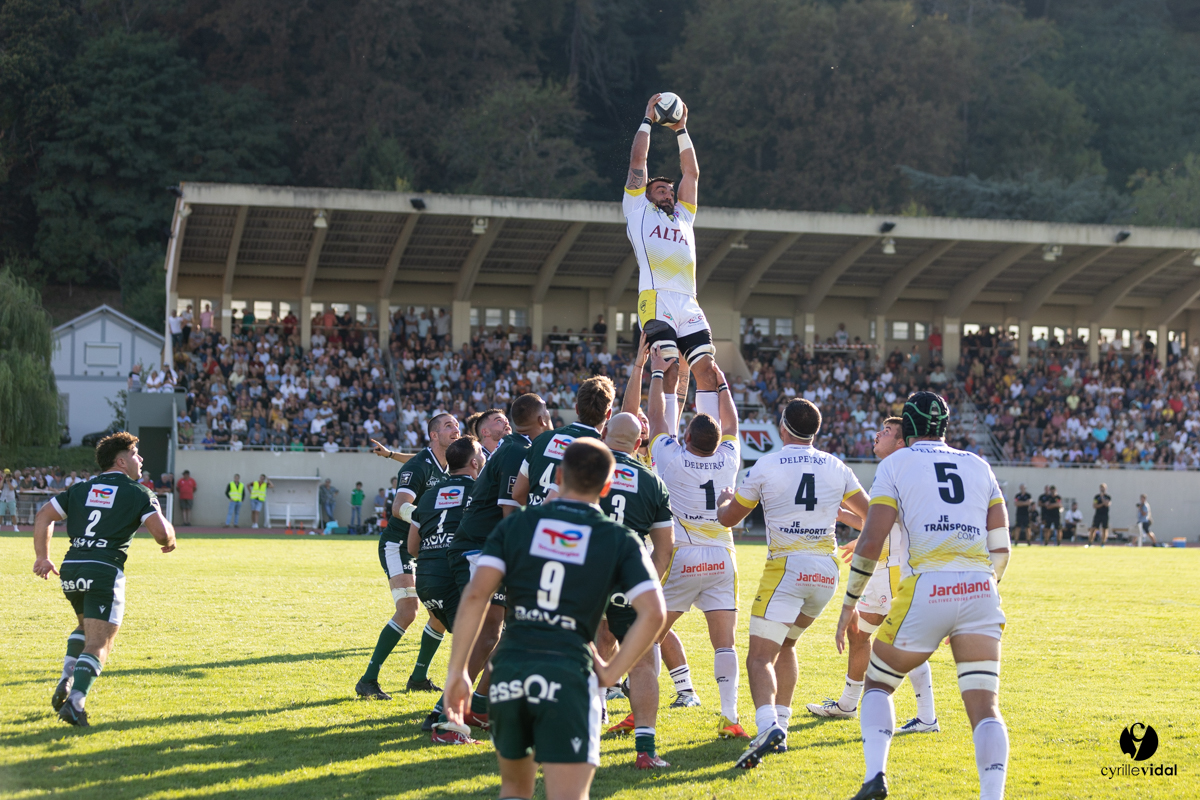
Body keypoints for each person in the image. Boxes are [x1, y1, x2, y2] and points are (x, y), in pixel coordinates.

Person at [443, 439, 667, 800]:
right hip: (569, 676)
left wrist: (458, 672)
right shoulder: (620, 539)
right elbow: (654, 611)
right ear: (607, 486)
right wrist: (611, 673)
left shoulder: (516, 526)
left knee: (514, 789)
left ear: (559, 476)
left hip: (511, 671)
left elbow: (475, 595)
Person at [835, 392, 1011, 800]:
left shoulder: (895, 463)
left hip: (925, 587)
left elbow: (871, 540)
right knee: (985, 708)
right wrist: (979, 594)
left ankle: (875, 778)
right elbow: (1001, 549)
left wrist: (848, 605)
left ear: (908, 428)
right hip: (979, 588)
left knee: (878, 685)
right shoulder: (979, 465)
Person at [716, 399, 869, 768]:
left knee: (759, 656)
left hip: (787, 567)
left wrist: (723, 501)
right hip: (826, 572)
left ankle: (767, 725)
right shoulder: (836, 465)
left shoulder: (766, 465)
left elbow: (729, 519)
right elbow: (871, 516)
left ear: (783, 427)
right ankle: (780, 725)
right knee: (787, 644)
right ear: (815, 431)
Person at [805, 418, 939, 736]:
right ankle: (848, 704)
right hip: (882, 570)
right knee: (859, 634)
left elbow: (889, 523)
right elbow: (880, 518)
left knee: (905, 642)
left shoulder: (901, 470)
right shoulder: (897, 470)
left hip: (894, 572)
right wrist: (842, 515)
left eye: (887, 432)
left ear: (902, 442)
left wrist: (864, 538)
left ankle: (927, 718)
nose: (878, 434)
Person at [32, 432, 177, 726]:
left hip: (72, 566)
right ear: (121, 461)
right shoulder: (139, 492)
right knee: (100, 641)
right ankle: (75, 703)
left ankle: (66, 678)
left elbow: (44, 516)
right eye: (136, 454)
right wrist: (167, 531)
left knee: (86, 627)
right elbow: (162, 535)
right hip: (104, 569)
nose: (141, 459)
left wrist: (42, 557)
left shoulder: (80, 488)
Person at [646, 343, 747, 740]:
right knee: (725, 644)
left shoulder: (671, 458)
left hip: (683, 557)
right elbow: (734, 427)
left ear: (685, 436)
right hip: (723, 558)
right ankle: (730, 715)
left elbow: (655, 422)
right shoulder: (728, 458)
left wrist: (657, 374)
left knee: (649, 635)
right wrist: (720, 385)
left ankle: (643, 719)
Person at [444, 394, 553, 738]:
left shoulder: (515, 447)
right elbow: (509, 506)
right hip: (480, 548)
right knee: (491, 631)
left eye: (504, 417)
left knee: (504, 631)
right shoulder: (515, 449)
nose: (502, 421)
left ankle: (477, 706)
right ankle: (447, 710)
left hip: (488, 546)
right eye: (495, 419)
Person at [624, 94, 724, 422]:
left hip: (688, 301)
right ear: (648, 196)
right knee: (667, 364)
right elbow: (638, 163)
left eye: (670, 189)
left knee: (706, 368)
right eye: (661, 190)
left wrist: (682, 129)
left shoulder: (684, 216)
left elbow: (691, 174)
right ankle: (663, 435)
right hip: (657, 298)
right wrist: (647, 120)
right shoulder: (638, 209)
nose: (668, 192)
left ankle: (710, 435)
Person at [355, 413, 459, 701]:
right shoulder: (420, 465)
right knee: (409, 611)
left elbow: (419, 460)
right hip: (398, 545)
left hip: (427, 547)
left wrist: (389, 454)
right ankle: (368, 680)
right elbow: (399, 506)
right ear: (434, 435)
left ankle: (418, 678)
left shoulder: (449, 464)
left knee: (438, 613)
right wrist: (428, 518)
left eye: (458, 425)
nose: (457, 429)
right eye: (449, 425)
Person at [592, 412, 675, 768]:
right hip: (630, 575)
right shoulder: (653, 482)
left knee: (590, 648)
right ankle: (645, 749)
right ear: (639, 443)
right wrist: (646, 585)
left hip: (587, 573)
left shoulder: (587, 465)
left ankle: (587, 731)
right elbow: (666, 548)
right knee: (643, 662)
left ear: (605, 433)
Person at [408, 436, 487, 742]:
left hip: (426, 578)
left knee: (479, 644)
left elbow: (413, 546)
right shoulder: (479, 490)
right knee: (483, 643)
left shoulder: (427, 495)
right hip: (455, 575)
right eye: (480, 454)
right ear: (475, 463)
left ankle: (462, 710)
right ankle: (446, 716)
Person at [512, 377, 616, 508]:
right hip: (565, 524)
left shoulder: (543, 438)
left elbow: (517, 494)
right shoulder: (601, 450)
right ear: (609, 414)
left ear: (577, 409)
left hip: (533, 522)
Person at [1086, 483, 1112, 547]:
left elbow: (1107, 504)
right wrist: (1102, 504)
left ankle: (1103, 543)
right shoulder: (1096, 497)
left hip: (1105, 515)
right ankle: (1090, 543)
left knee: (1104, 529)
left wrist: (1102, 498)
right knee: (1093, 528)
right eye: (1101, 487)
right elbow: (1095, 505)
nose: (1102, 489)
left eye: (1103, 487)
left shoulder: (1108, 497)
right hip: (1098, 515)